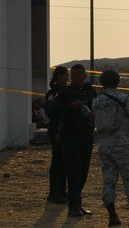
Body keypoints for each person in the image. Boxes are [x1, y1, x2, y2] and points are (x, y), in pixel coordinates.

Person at [91, 69, 129, 227]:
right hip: (122, 144)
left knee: (108, 180)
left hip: (104, 144)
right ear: (117, 82)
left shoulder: (96, 101)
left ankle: (112, 217)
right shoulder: (123, 98)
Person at [48, 64, 96, 217]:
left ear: (84, 76)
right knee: (73, 171)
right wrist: (70, 106)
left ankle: (77, 202)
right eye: (73, 74)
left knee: (83, 172)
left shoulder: (90, 92)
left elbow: (97, 108)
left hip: (86, 135)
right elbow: (53, 110)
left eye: (79, 74)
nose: (76, 77)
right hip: (70, 136)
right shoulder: (65, 92)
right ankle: (73, 205)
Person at [44, 65, 70, 205]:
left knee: (63, 162)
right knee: (57, 161)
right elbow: (54, 111)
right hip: (56, 129)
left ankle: (62, 190)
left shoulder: (64, 91)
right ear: (59, 76)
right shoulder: (52, 93)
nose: (67, 77)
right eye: (65, 75)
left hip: (65, 129)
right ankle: (54, 192)